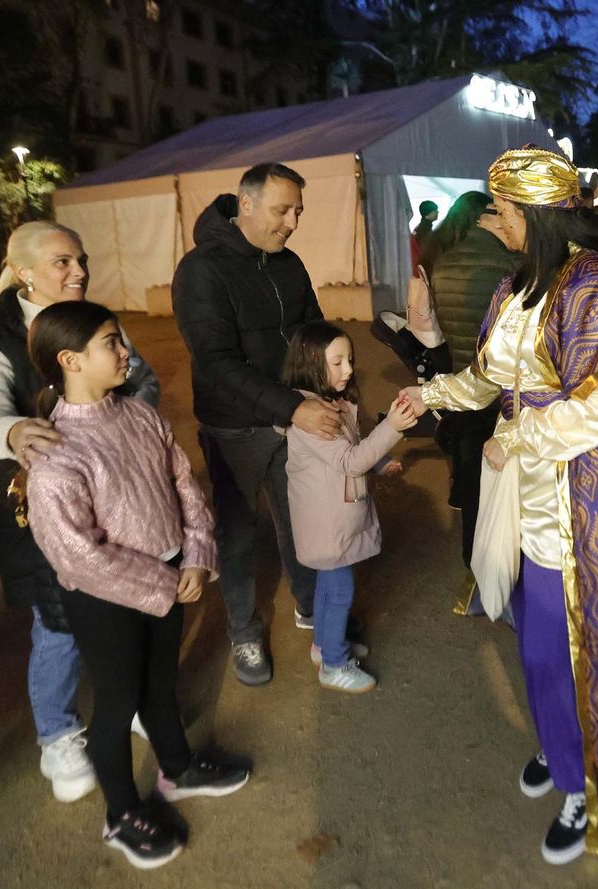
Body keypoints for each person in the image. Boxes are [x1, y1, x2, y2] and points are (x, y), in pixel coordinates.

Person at [401, 147, 598, 865]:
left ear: (536, 217)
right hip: (520, 481)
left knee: (570, 636)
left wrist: (519, 435)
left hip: (576, 486)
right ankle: (559, 746)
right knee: (532, 629)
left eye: (502, 210)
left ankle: (588, 780)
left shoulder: (591, 284)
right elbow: (489, 380)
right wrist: (427, 394)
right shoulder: (517, 286)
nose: (492, 219)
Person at [24, 300, 248, 869]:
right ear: (70, 360)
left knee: (158, 681)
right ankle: (121, 813)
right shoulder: (56, 456)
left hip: (172, 576)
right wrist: (164, 581)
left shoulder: (140, 415)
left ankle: (177, 767)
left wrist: (196, 553)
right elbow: (79, 556)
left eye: (120, 340)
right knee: (119, 699)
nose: (126, 352)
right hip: (108, 599)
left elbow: (182, 483)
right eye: (110, 343)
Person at [0, 220, 161, 802]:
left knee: (130, 596)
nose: (79, 272)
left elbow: (142, 380)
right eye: (62, 263)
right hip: (41, 499)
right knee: (60, 619)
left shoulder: (99, 318)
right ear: (23, 271)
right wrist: (15, 429)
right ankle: (57, 733)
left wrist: (120, 417)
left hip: (120, 488)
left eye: (82, 260)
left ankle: (127, 703)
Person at [172, 162, 347, 687]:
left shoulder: (288, 263)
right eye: (281, 210)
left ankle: (312, 606)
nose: (292, 222)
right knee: (237, 532)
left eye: (297, 211)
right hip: (235, 429)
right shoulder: (202, 269)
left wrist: (334, 377)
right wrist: (290, 407)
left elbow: (311, 330)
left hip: (291, 419)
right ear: (245, 205)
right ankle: (244, 631)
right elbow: (216, 361)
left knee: (299, 521)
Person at [279, 322, 414, 691]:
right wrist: (393, 429)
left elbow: (351, 452)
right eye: (337, 362)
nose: (349, 369)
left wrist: (378, 462)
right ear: (310, 364)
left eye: (349, 359)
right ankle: (334, 665)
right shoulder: (314, 418)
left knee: (327, 585)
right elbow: (349, 461)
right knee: (339, 591)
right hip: (329, 523)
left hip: (331, 516)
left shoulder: (331, 403)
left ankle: (324, 646)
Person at [429, 192, 516, 610]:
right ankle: (500, 573)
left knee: (469, 479)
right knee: (501, 484)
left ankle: (473, 567)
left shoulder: (443, 263)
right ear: (487, 219)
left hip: (460, 387)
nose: (508, 221)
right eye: (501, 213)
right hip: (502, 395)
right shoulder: (509, 267)